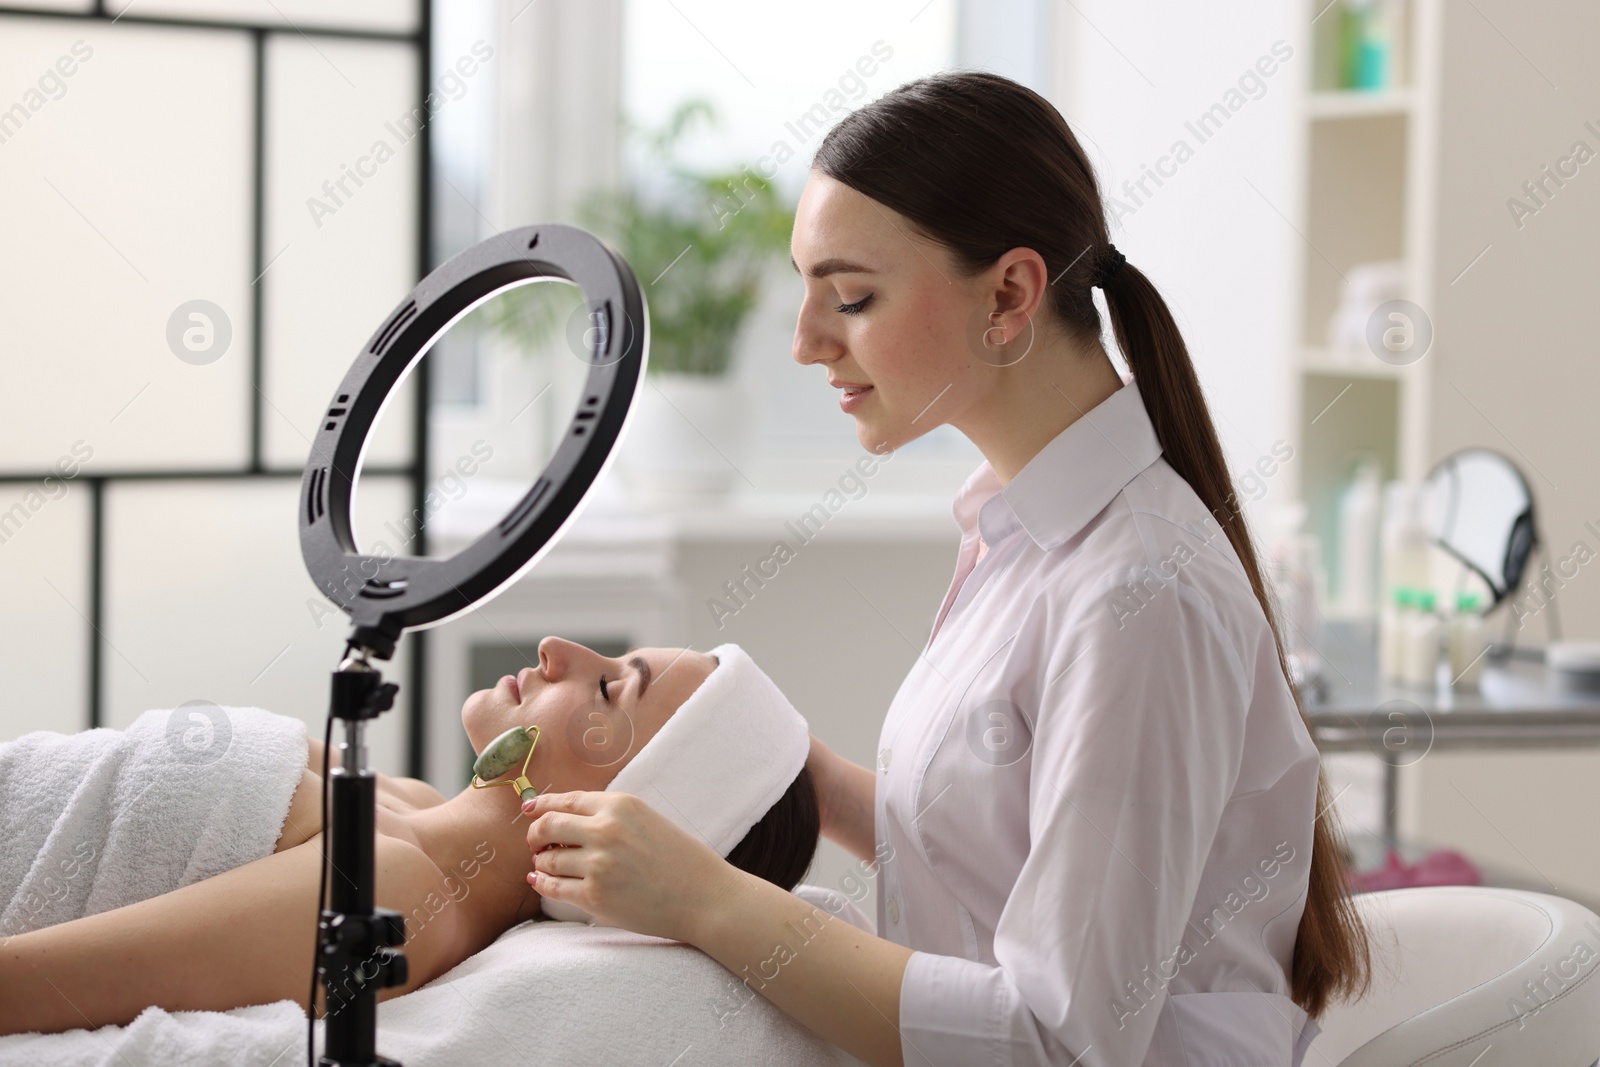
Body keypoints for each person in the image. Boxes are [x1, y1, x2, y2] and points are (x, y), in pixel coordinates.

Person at [517, 71, 1373, 1067]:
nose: (805, 341)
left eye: (850, 296)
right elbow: (1005, 847)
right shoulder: (1014, 529)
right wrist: (790, 766)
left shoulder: (1139, 592)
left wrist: (708, 901)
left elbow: (1058, 1039)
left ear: (1008, 294)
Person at [0, 637, 819, 1036]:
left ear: (618, 811)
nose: (557, 647)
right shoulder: (407, 804)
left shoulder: (397, 891)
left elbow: (34, 988)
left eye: (610, 685)